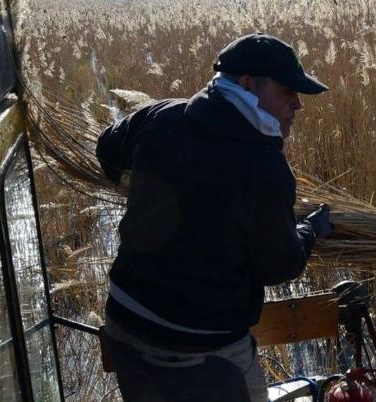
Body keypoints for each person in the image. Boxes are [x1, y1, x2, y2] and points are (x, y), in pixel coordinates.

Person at [96, 33, 333, 401]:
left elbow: (107, 149)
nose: (297, 105)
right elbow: (278, 266)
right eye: (288, 91)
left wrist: (147, 185)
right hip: (203, 352)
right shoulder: (265, 168)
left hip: (125, 323)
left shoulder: (162, 115)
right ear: (247, 84)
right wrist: (311, 230)